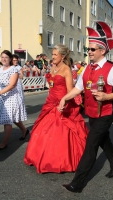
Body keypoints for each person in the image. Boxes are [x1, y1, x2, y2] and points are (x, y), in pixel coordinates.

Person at [58, 21, 113, 193]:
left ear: (102, 51)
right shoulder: (87, 68)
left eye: (92, 49)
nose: (88, 52)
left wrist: (106, 96)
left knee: (91, 144)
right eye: (87, 49)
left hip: (106, 112)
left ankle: (78, 183)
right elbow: (78, 88)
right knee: (103, 139)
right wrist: (65, 98)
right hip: (91, 111)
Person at [24, 44, 88, 173]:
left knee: (59, 131)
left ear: (62, 56)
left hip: (62, 104)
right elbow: (51, 85)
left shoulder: (66, 69)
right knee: (44, 130)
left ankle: (59, 161)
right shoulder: (53, 67)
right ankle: (40, 157)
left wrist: (64, 102)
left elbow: (70, 90)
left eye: (55, 55)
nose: (52, 57)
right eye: (52, 54)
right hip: (50, 102)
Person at [0, 50, 28, 150]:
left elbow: (12, 85)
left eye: (6, 57)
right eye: (2, 57)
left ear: (10, 59)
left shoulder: (14, 70)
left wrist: (0, 92)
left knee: (8, 120)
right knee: (13, 118)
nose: (4, 59)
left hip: (11, 97)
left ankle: (4, 143)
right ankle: (24, 130)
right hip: (2, 96)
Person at [12, 55, 30, 140]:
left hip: (17, 87)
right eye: (14, 60)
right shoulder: (8, 67)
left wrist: (14, 76)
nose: (15, 61)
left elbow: (22, 76)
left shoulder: (19, 67)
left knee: (16, 109)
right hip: (10, 88)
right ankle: (23, 130)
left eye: (16, 60)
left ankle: (23, 129)